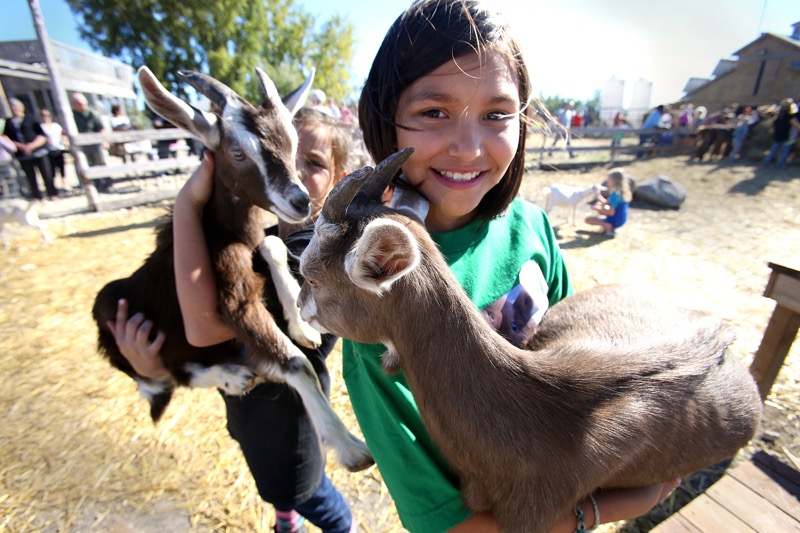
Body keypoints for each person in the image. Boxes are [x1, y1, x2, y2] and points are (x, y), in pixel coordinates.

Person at [116, 1, 679, 531]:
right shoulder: (375, 297)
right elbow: (445, 522)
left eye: (498, 113)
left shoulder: (531, 226)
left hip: (566, 475)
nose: (467, 145)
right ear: (386, 123)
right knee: (290, 483)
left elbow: (573, 369)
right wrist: (609, 507)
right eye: (434, 111)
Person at [108, 107, 357, 533]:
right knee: (278, 489)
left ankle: (340, 527)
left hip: (289, 428)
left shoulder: (311, 257)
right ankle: (286, 521)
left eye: (311, 163)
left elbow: (204, 326)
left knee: (306, 492)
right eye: (275, 152)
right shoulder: (264, 236)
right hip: (250, 417)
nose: (290, 169)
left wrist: (188, 201)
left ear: (338, 178)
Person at [3, 98, 59, 200]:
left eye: (16, 107)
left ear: (21, 108)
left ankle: (52, 194)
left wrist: (32, 145)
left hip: (38, 151)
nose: (14, 109)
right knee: (30, 176)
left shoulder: (31, 119)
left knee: (47, 174)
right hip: (22, 153)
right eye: (12, 107)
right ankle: (37, 196)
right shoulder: (8, 122)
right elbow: (7, 138)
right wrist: (21, 146)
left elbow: (41, 135)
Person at [585, 169, 631, 237]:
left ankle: (608, 227)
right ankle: (609, 227)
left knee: (588, 220)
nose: (607, 181)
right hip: (621, 220)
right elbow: (608, 203)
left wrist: (598, 209)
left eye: (609, 180)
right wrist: (599, 198)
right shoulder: (621, 193)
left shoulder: (615, 194)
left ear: (614, 181)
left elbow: (611, 212)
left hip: (615, 220)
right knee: (600, 213)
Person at [762, 98, 800, 169]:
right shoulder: (790, 116)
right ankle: (780, 166)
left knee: (772, 152)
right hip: (787, 137)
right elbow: (797, 126)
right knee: (784, 153)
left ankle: (765, 164)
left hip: (777, 136)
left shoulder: (778, 115)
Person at [39, 108, 69, 191]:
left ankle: (65, 185)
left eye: (47, 115)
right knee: (52, 170)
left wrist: (64, 140)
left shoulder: (56, 125)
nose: (46, 117)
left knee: (62, 168)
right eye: (43, 116)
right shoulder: (41, 127)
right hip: (48, 151)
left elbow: (63, 133)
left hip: (59, 149)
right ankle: (54, 187)